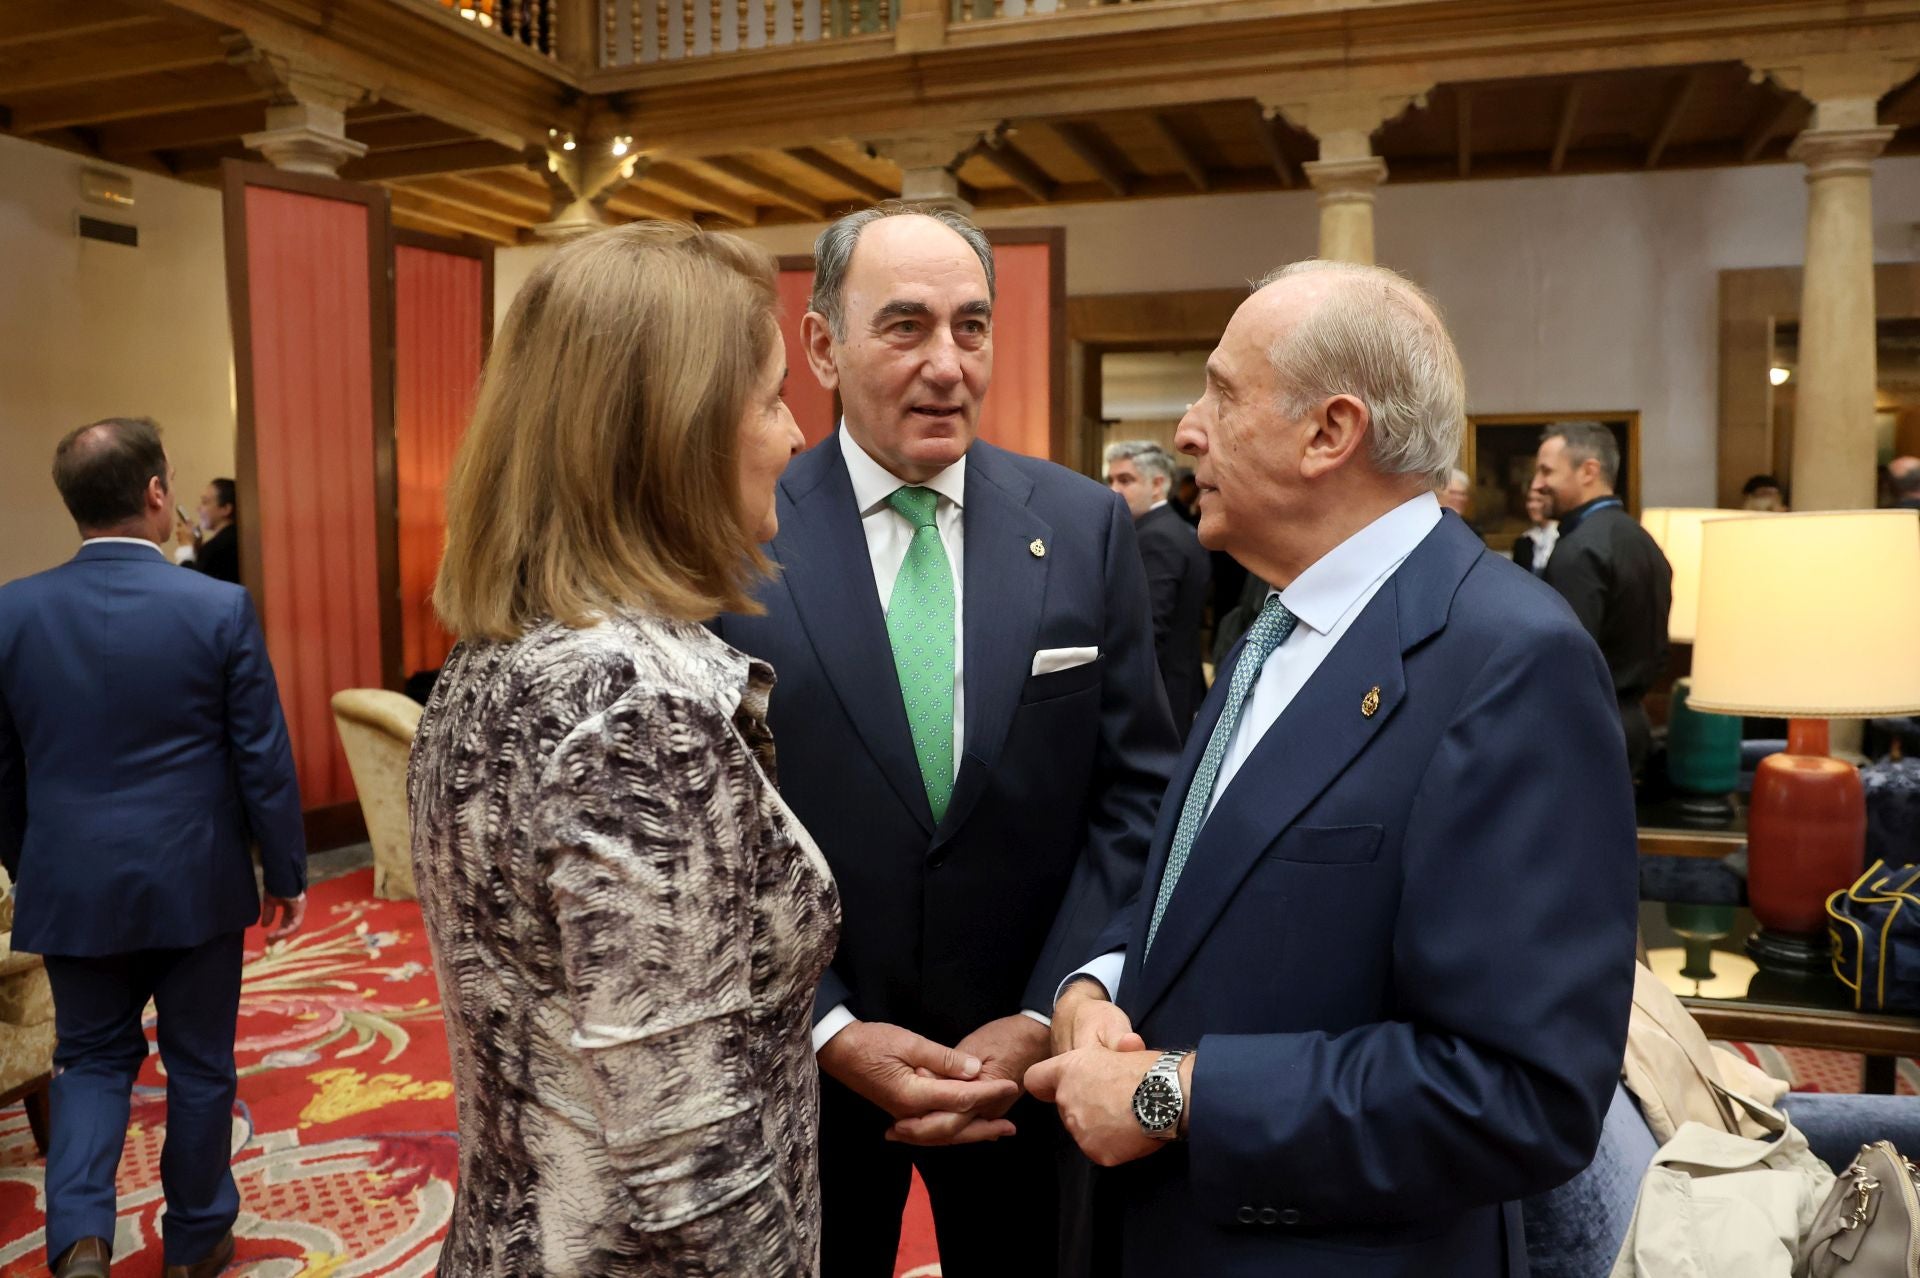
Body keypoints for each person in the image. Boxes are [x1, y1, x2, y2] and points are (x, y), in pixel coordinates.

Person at [1027, 261, 1637, 1277]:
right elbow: (1193, 883)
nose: (1188, 431)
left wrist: (1172, 1095)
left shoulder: (1513, 660)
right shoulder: (1269, 624)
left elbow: (1521, 1094)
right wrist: (1094, 987)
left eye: (1222, 394)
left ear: (1329, 432)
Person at [712, 204, 1178, 1278]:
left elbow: (1135, 794)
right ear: (823, 347)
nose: (947, 365)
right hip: (805, 1075)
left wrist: (1046, 1007)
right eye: (905, 326)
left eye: (972, 326)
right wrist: (829, 1028)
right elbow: (709, 828)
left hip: (1028, 1076)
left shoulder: (1081, 525)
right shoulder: (734, 532)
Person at [409, 224, 860, 1275]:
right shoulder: (631, 710)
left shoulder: (501, 658)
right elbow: (695, 1176)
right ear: (678, 435)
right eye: (771, 400)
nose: (797, 435)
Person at [0, 417, 306, 1278]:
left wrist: (33, 865)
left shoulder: (12, 611)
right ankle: (197, 1240)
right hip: (195, 880)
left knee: (90, 1061)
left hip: (71, 883)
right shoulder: (217, 606)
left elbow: (3, 770)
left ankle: (81, 1241)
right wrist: (285, 871)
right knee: (199, 1065)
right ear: (156, 492)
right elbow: (261, 755)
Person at [1532, 421, 1672, 776]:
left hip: (1588, 731)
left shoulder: (1580, 549)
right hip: (1632, 723)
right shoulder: (1642, 539)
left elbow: (1566, 664)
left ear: (1588, 471)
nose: (1536, 484)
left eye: (1547, 471)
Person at [1106, 441, 1211, 737]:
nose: (1114, 490)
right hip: (1178, 684)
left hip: (1160, 695)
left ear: (1157, 484)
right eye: (1111, 480)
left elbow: (1149, 631)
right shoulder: (1172, 529)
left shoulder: (1156, 537)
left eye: (1125, 480)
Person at [174, 477, 239, 583]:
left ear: (226, 509)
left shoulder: (220, 547)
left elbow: (192, 584)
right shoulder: (234, 538)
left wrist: (185, 545)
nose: (198, 508)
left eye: (205, 502)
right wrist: (196, 548)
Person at [1511, 487, 1558, 576]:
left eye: (1539, 500)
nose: (1532, 506)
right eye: (1530, 500)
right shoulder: (1523, 541)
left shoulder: (1563, 537)